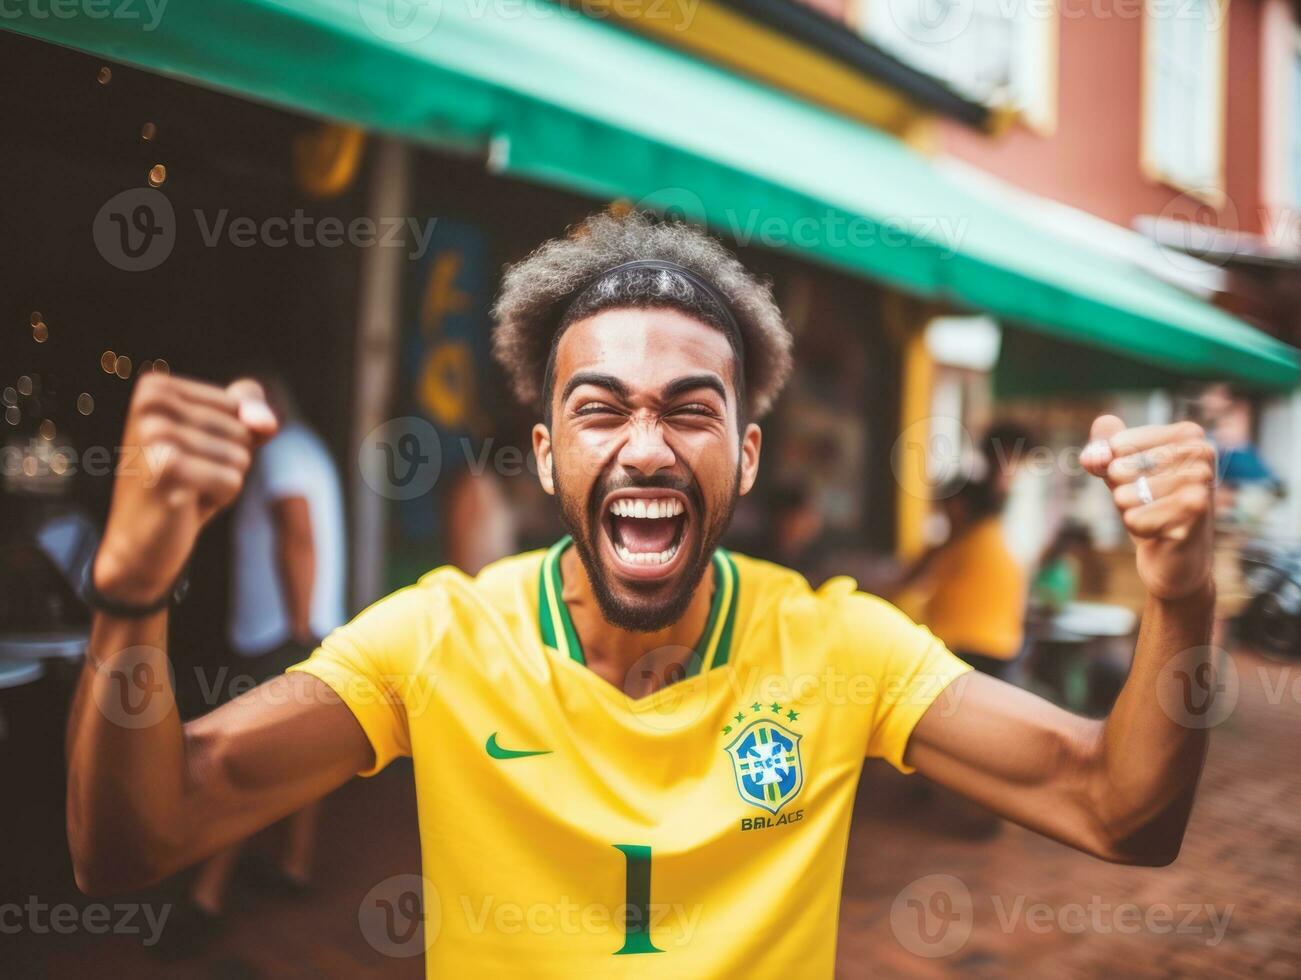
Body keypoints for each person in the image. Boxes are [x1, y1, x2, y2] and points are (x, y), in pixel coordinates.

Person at [69, 212, 1219, 976]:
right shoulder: (438, 636)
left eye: (688, 408)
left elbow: (1117, 808)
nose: (645, 444)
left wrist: (1179, 594)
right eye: (600, 407)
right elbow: (141, 835)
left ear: (748, 457)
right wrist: (130, 593)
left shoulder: (839, 649)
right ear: (549, 451)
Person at [169, 375, 347, 945]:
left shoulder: (281, 454)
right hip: (298, 630)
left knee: (242, 763)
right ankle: (295, 865)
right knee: (302, 755)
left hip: (281, 634)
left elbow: (298, 534)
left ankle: (205, 899)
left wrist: (297, 628)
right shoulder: (305, 447)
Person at [892, 475, 1026, 681]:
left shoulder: (967, 541)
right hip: (1001, 646)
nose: (944, 516)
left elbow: (911, 580)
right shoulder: (991, 536)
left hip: (968, 646)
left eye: (944, 508)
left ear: (958, 506)